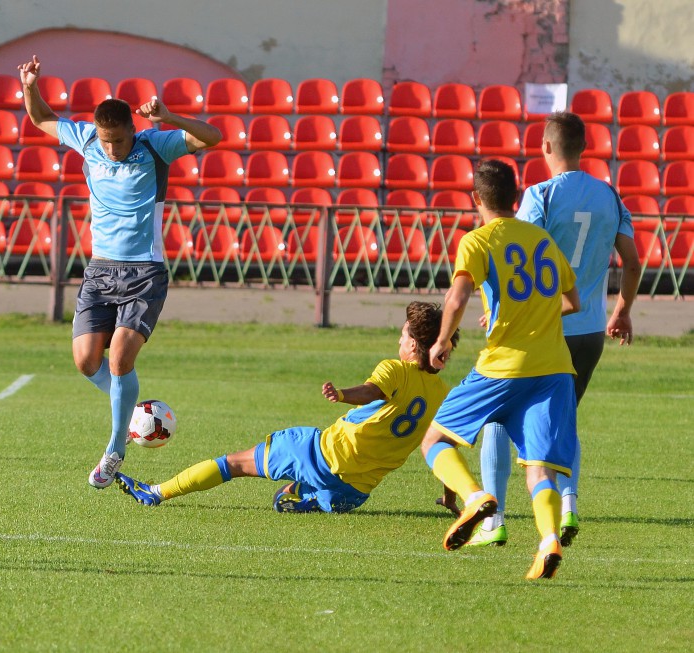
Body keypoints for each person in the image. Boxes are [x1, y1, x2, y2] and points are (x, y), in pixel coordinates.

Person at [17, 55, 221, 489]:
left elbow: (212, 137)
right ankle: (133, 410)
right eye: (105, 141)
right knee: (85, 361)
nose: (111, 148)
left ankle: (115, 447)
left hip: (145, 272)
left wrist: (168, 117)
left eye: (118, 139)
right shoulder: (87, 138)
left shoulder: (154, 144)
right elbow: (41, 119)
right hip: (99, 272)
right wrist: (30, 85)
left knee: (119, 358)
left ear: (132, 129)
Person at [469, 111, 642, 548]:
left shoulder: (540, 195)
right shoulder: (608, 194)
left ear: (546, 148)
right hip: (589, 332)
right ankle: (569, 505)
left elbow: (517, 256)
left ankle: (494, 519)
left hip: (541, 329)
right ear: (583, 148)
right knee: (562, 422)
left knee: (495, 419)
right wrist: (621, 310)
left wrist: (503, 310)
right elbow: (633, 261)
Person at [114, 302, 460, 514]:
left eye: (403, 336)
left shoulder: (396, 369)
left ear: (414, 345)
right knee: (292, 494)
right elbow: (444, 449)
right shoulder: (443, 395)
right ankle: (309, 497)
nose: (399, 341)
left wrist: (341, 393)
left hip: (319, 455)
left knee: (233, 463)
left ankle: (156, 493)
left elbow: (371, 391)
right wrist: (449, 497)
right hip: (356, 491)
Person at [420, 158, 580, 580]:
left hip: (505, 366)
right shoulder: (542, 239)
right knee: (539, 467)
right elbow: (571, 301)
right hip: (555, 369)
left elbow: (456, 299)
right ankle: (547, 542)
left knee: (434, 439)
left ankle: (475, 498)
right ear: (517, 197)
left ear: (477, 199)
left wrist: (440, 342)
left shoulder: (478, 240)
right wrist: (529, 313)